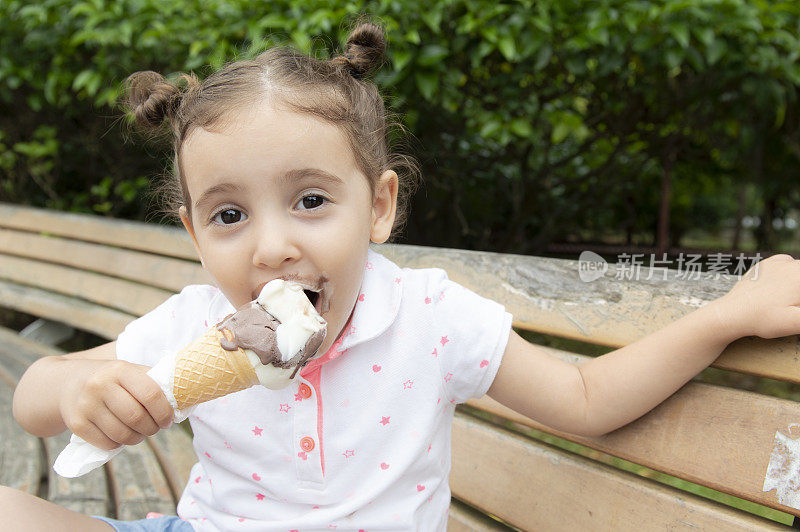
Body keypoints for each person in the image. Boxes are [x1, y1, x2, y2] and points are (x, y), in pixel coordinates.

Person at [4, 20, 800, 532]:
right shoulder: (193, 322)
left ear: (379, 208)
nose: (271, 247)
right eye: (228, 216)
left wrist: (727, 315)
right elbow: (33, 396)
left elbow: (586, 402)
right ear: (193, 234)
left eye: (310, 200)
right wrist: (78, 393)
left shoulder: (429, 319)